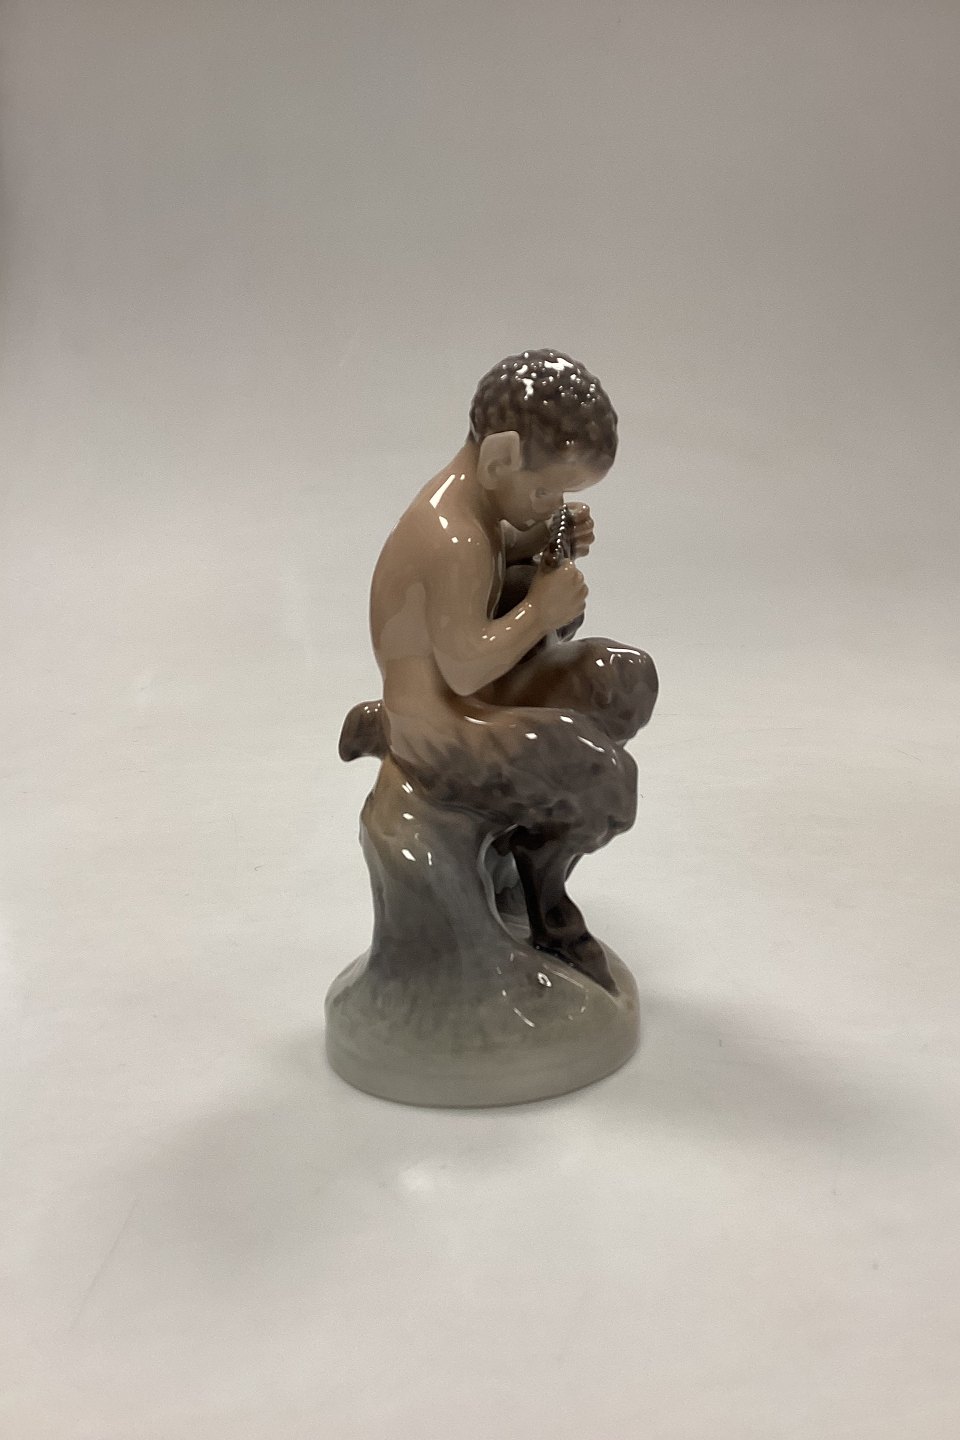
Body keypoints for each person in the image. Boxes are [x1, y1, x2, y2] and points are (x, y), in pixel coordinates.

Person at [341, 349, 657, 990]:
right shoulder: (452, 537)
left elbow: (493, 565)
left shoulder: (480, 515)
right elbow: (463, 667)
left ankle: (532, 842)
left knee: (625, 679)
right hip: (438, 723)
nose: (552, 502)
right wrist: (541, 610)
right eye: (544, 490)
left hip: (479, 694)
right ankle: (545, 892)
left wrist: (538, 539)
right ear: (499, 459)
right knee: (605, 781)